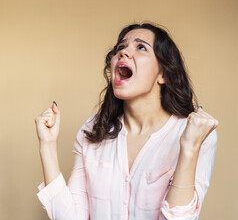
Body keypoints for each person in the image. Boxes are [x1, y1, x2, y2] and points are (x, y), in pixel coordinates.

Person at [35, 23, 218, 220]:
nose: (124, 53)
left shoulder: (195, 134)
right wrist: (47, 145)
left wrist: (189, 148)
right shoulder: (93, 130)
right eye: (120, 48)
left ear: (163, 74)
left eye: (141, 47)